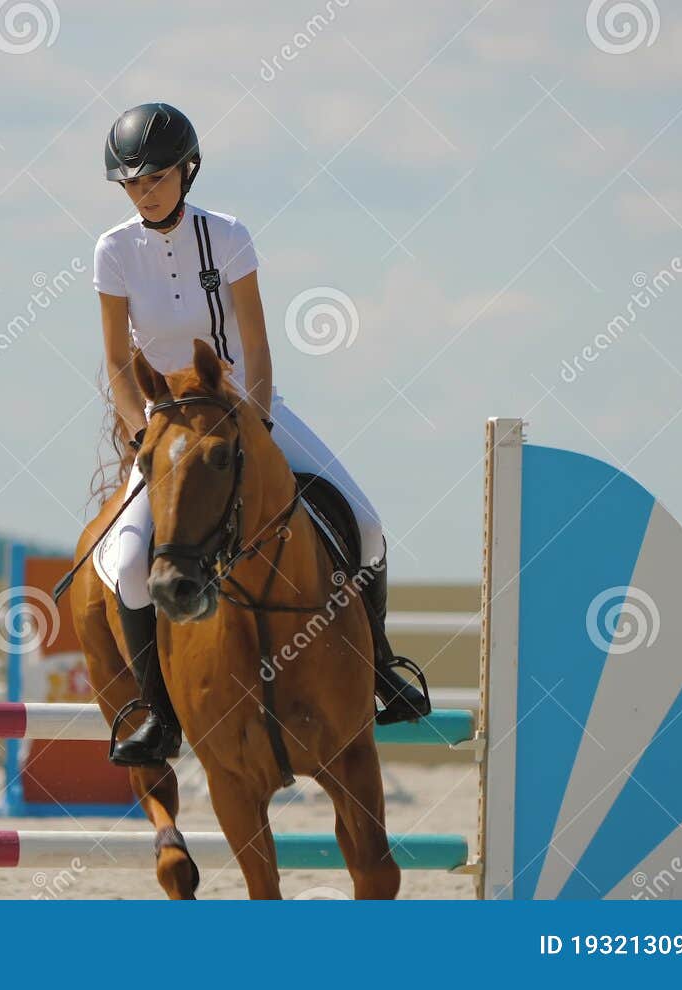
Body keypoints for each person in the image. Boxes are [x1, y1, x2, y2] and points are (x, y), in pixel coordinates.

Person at [92, 102, 430, 767]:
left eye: (155, 178)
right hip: (165, 425)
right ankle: (159, 715)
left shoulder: (230, 236)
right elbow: (116, 363)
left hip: (247, 404)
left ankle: (383, 666)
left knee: (363, 522)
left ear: (186, 172)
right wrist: (143, 439)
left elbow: (256, 343)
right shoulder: (112, 251)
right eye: (131, 183)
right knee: (130, 564)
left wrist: (258, 420)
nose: (143, 192)